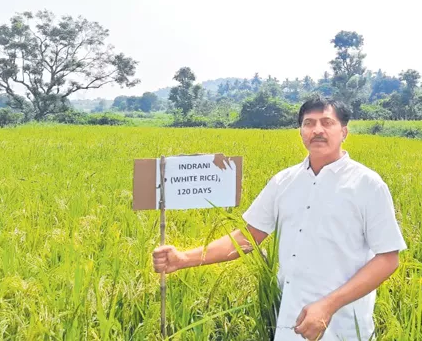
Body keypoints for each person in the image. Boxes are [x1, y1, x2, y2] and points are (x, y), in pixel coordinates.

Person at [153, 95, 407, 340]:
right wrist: (183, 259)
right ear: (300, 132)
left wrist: (329, 306)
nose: (317, 130)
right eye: (309, 123)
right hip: (291, 318)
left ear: (344, 132)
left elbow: (388, 258)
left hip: (345, 323)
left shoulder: (367, 184)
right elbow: (248, 238)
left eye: (327, 122)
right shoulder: (283, 181)